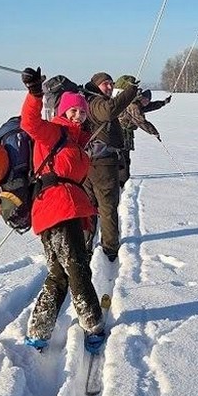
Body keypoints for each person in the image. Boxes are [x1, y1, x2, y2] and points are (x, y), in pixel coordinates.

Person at [18, 66, 106, 354]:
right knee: (78, 269)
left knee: (58, 274)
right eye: (73, 111)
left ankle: (38, 332)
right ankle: (93, 325)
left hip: (60, 210)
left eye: (82, 112)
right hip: (58, 208)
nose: (78, 116)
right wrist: (34, 93)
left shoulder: (76, 141)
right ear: (62, 111)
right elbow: (29, 123)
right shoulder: (52, 132)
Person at [82, 71, 139, 261]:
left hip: (90, 163)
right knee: (107, 207)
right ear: (96, 85)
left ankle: (86, 244)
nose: (110, 87)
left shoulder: (89, 99)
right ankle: (110, 248)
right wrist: (130, 92)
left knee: (89, 206)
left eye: (111, 83)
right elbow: (110, 110)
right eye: (105, 84)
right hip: (102, 164)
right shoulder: (96, 102)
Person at [113, 74, 172, 187]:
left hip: (126, 133)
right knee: (123, 157)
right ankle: (122, 181)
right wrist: (154, 132)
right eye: (145, 100)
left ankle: (123, 178)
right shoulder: (134, 105)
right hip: (122, 133)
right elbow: (141, 122)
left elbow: (150, 106)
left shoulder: (138, 104)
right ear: (141, 98)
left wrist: (163, 102)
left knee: (125, 157)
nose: (147, 102)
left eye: (148, 100)